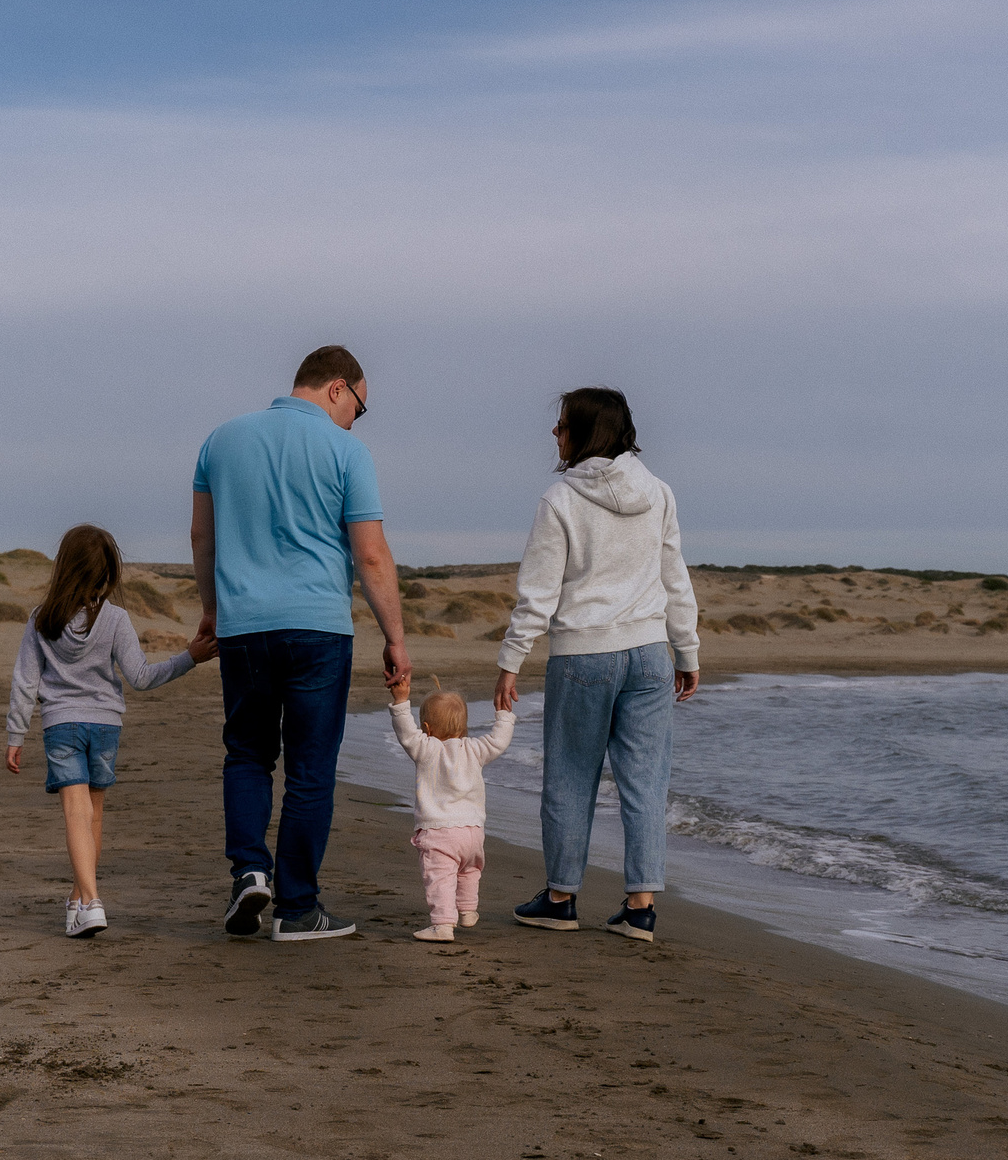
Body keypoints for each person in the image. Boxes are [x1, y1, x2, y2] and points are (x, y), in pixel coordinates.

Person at [192, 345, 410, 942]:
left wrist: (212, 610)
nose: (356, 420)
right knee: (311, 769)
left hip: (243, 626)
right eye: (359, 408)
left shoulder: (220, 440)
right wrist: (395, 637)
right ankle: (297, 908)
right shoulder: (347, 451)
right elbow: (370, 553)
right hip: (317, 626)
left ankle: (248, 871)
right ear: (337, 389)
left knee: (247, 754)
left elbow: (201, 537)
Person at [494, 388, 699, 944]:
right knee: (645, 783)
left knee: (569, 777)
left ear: (586, 433)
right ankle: (640, 907)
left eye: (562, 426)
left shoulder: (560, 500)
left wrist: (511, 661)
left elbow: (537, 593)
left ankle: (560, 899)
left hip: (583, 654)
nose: (555, 435)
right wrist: (687, 650)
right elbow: (674, 579)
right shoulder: (658, 493)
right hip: (651, 653)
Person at [5, 524, 209, 939]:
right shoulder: (116, 619)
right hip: (105, 725)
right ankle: (79, 901)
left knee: (75, 813)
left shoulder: (42, 619)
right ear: (109, 574)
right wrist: (190, 656)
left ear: (64, 568)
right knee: (93, 814)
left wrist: (15, 735)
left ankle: (91, 901)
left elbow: (25, 681)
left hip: (62, 723)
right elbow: (141, 677)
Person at [387, 676, 515, 942]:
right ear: (464, 726)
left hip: (439, 831)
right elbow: (499, 741)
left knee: (440, 877)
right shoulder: (476, 749)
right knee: (469, 871)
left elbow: (406, 733)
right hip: (473, 832)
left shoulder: (426, 749)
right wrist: (503, 713)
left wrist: (400, 701)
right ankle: (468, 911)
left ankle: (443, 924)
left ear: (426, 727)